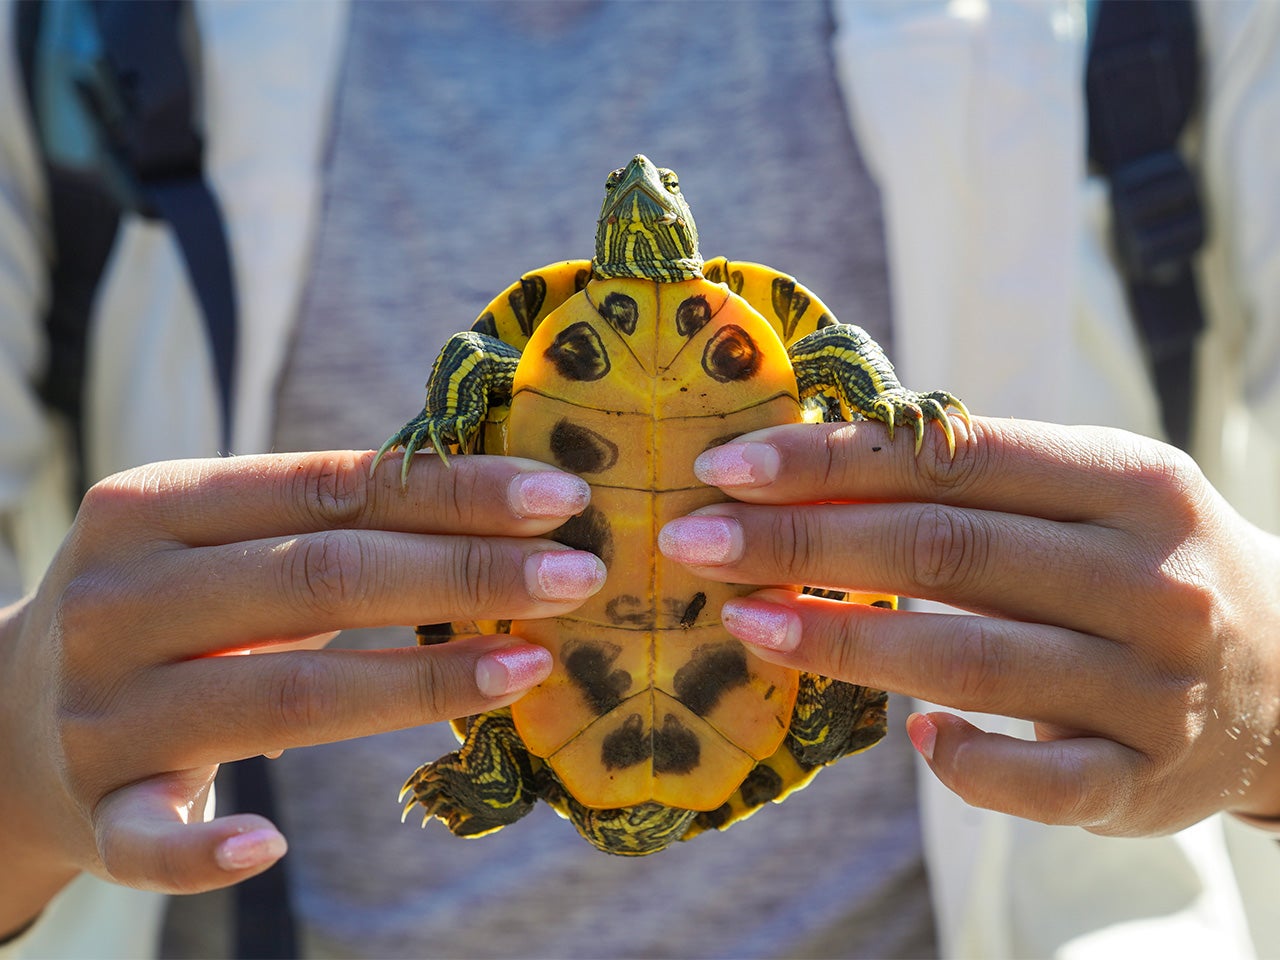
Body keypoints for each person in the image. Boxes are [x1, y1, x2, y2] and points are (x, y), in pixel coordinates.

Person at [2, 1, 1279, 958]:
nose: (641, 194)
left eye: (653, 194)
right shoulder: (67, 35)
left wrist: (1263, 690)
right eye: (636, 196)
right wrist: (16, 747)